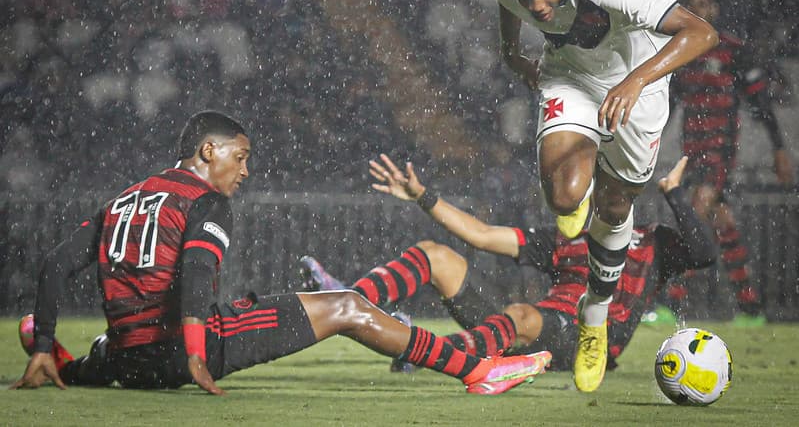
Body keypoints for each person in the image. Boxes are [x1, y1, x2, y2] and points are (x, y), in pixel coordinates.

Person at [11, 110, 551, 396]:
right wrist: (196, 354)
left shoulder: (124, 197)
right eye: (239, 157)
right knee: (347, 307)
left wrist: (43, 339)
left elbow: (55, 265)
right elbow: (198, 274)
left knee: (107, 349)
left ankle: (59, 361)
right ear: (208, 151)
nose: (244, 171)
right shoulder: (204, 201)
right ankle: (479, 371)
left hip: (124, 359)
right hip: (184, 351)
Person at [490, 0, 719, 391]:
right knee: (564, 196)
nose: (537, 6)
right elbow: (510, 20)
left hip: (641, 84)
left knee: (615, 211)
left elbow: (702, 32)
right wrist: (514, 55)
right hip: (570, 77)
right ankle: (579, 184)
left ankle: (594, 314)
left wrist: (633, 82)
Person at [300, 153, 718, 375]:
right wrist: (423, 196)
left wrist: (674, 192)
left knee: (520, 315)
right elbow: (481, 235)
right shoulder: (566, 236)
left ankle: (421, 350)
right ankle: (347, 299)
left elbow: (703, 254)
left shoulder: (653, 241)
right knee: (435, 254)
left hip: (586, 347)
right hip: (532, 327)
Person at [666, 0, 795, 325]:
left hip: (719, 150)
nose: (701, 9)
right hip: (691, 151)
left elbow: (762, 105)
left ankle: (671, 299)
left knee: (695, 213)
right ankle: (749, 306)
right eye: (693, 5)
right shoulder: (680, 50)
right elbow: (670, 106)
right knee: (722, 222)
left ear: (716, 10)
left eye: (706, 3)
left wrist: (779, 149)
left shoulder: (735, 51)